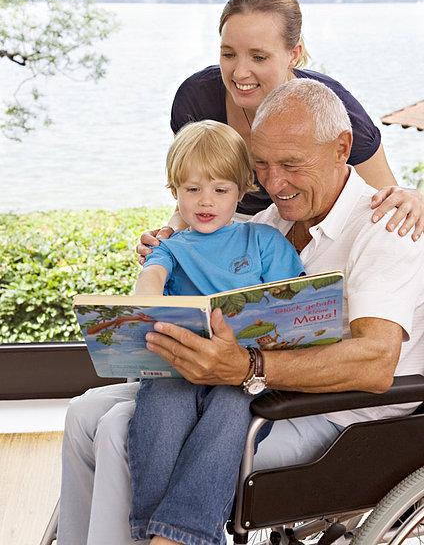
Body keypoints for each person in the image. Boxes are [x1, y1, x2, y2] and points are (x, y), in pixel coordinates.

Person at [57, 79, 424, 545]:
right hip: (259, 386)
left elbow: (375, 363)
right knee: (84, 412)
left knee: (115, 431)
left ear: (342, 148)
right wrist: (166, 244)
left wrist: (247, 367)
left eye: (291, 165)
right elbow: (207, 222)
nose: (273, 184)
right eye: (262, 165)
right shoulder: (272, 223)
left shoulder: (386, 224)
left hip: (342, 418)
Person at [137, 0, 424, 257]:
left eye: (258, 57)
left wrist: (414, 198)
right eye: (228, 54)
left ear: (293, 54)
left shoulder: (334, 113)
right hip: (221, 230)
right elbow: (190, 193)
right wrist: (170, 233)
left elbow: (386, 199)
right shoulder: (196, 100)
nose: (239, 73)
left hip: (308, 238)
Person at [126, 119, 304, 544]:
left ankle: (176, 536)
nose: (206, 201)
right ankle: (157, 533)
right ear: (175, 193)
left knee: (231, 410)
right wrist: (150, 298)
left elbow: (291, 307)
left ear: (241, 192)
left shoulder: (262, 241)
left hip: (242, 372)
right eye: (192, 190)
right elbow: (150, 279)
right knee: (161, 409)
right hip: (180, 366)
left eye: (220, 190)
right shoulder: (169, 246)